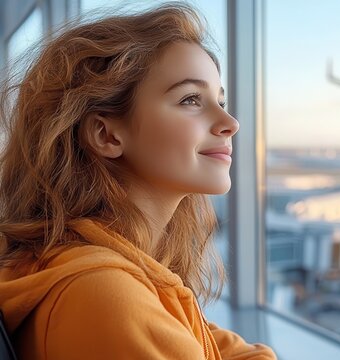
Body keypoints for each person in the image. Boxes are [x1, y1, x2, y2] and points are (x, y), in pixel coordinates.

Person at [0, 3, 276, 359]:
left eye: (220, 100)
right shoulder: (106, 293)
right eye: (191, 99)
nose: (230, 122)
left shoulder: (122, 269)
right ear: (106, 134)